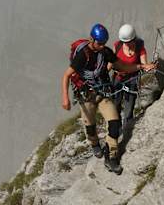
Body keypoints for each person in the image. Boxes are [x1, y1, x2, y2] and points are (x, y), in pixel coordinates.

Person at [61, 23, 157, 175]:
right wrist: (65, 98)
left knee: (114, 122)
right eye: (99, 43)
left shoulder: (105, 52)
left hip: (103, 93)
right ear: (91, 39)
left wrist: (141, 67)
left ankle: (110, 157)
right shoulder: (82, 55)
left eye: (103, 43)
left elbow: (123, 67)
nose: (101, 46)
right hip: (86, 95)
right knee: (90, 125)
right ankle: (94, 144)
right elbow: (66, 75)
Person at [111, 24, 148, 131]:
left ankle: (126, 131)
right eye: (124, 42)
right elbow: (111, 62)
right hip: (118, 78)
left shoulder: (140, 48)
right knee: (115, 106)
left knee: (129, 109)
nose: (126, 44)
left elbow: (144, 63)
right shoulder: (117, 46)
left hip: (132, 81)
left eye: (128, 42)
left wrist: (148, 67)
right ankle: (115, 130)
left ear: (134, 39)